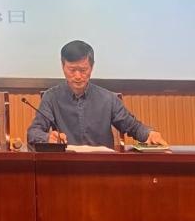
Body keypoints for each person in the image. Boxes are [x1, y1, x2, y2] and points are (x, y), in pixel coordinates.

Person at [27, 40, 168, 147]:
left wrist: (149, 134)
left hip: (102, 165)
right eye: (72, 70)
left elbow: (132, 126)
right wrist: (48, 138)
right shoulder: (51, 97)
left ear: (92, 67)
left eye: (83, 70)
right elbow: (33, 132)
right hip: (65, 165)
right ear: (62, 66)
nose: (77, 76)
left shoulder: (108, 99)